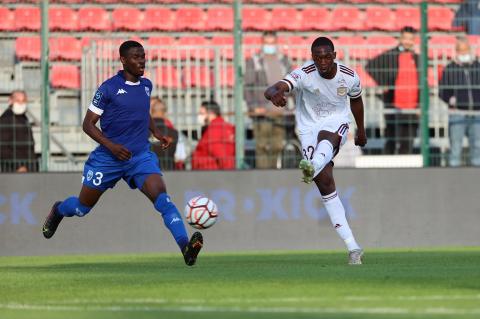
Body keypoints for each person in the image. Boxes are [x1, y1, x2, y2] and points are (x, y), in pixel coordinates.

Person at [42, 41, 203, 266]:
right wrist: (112, 147)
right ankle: (58, 210)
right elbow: (88, 125)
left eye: (143, 56)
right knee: (81, 208)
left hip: (139, 157)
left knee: (163, 199)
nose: (142, 61)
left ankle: (185, 247)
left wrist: (156, 132)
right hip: (108, 159)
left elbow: (142, 111)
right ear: (123, 60)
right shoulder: (108, 88)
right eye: (136, 57)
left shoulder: (146, 85)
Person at [264, 37, 367, 265]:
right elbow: (274, 88)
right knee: (326, 184)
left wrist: (361, 129)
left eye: (326, 56)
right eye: (317, 57)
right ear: (312, 57)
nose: (322, 61)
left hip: (336, 122)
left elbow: (357, 102)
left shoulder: (349, 77)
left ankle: (312, 165)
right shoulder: (304, 73)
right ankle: (353, 247)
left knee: (327, 139)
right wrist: (273, 95)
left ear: (334, 55)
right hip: (308, 129)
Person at [365, 26, 420, 154]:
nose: (407, 41)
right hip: (393, 105)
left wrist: (420, 105)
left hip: (413, 107)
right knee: (392, 139)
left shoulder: (417, 58)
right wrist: (384, 83)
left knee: (408, 141)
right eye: (405, 38)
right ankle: (388, 169)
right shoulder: (390, 55)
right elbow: (370, 66)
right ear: (400, 39)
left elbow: (422, 81)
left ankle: (404, 169)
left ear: (414, 41)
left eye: (410, 39)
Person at [245, 31, 292, 169]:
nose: (269, 46)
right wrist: (253, 106)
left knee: (277, 145)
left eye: (272, 43)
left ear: (276, 43)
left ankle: (273, 173)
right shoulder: (254, 61)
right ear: (262, 43)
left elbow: (292, 83)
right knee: (262, 146)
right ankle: (263, 176)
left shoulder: (284, 60)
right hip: (262, 112)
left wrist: (291, 106)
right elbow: (248, 86)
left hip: (279, 112)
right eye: (267, 43)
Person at [439, 37, 480, 166]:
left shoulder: (478, 67)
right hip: (457, 113)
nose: (463, 53)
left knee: (478, 145)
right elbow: (443, 90)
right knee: (455, 145)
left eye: (465, 50)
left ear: (470, 50)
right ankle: (453, 176)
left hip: (477, 113)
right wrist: (451, 99)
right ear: (456, 51)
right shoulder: (450, 68)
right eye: (460, 51)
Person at [191, 100, 235, 170]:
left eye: (201, 113)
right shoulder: (225, 126)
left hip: (210, 172)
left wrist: (227, 173)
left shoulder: (214, 129)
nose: (199, 116)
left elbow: (220, 154)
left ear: (210, 113)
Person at [0, 90, 37, 172]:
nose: (21, 104)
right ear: (10, 101)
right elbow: (3, 147)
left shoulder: (24, 118)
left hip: (29, 167)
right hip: (12, 169)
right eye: (18, 100)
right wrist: (18, 166)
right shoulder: (5, 119)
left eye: (23, 101)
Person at [150, 97, 178, 170]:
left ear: (151, 112)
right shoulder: (174, 133)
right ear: (164, 113)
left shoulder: (144, 132)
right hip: (169, 170)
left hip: (149, 172)